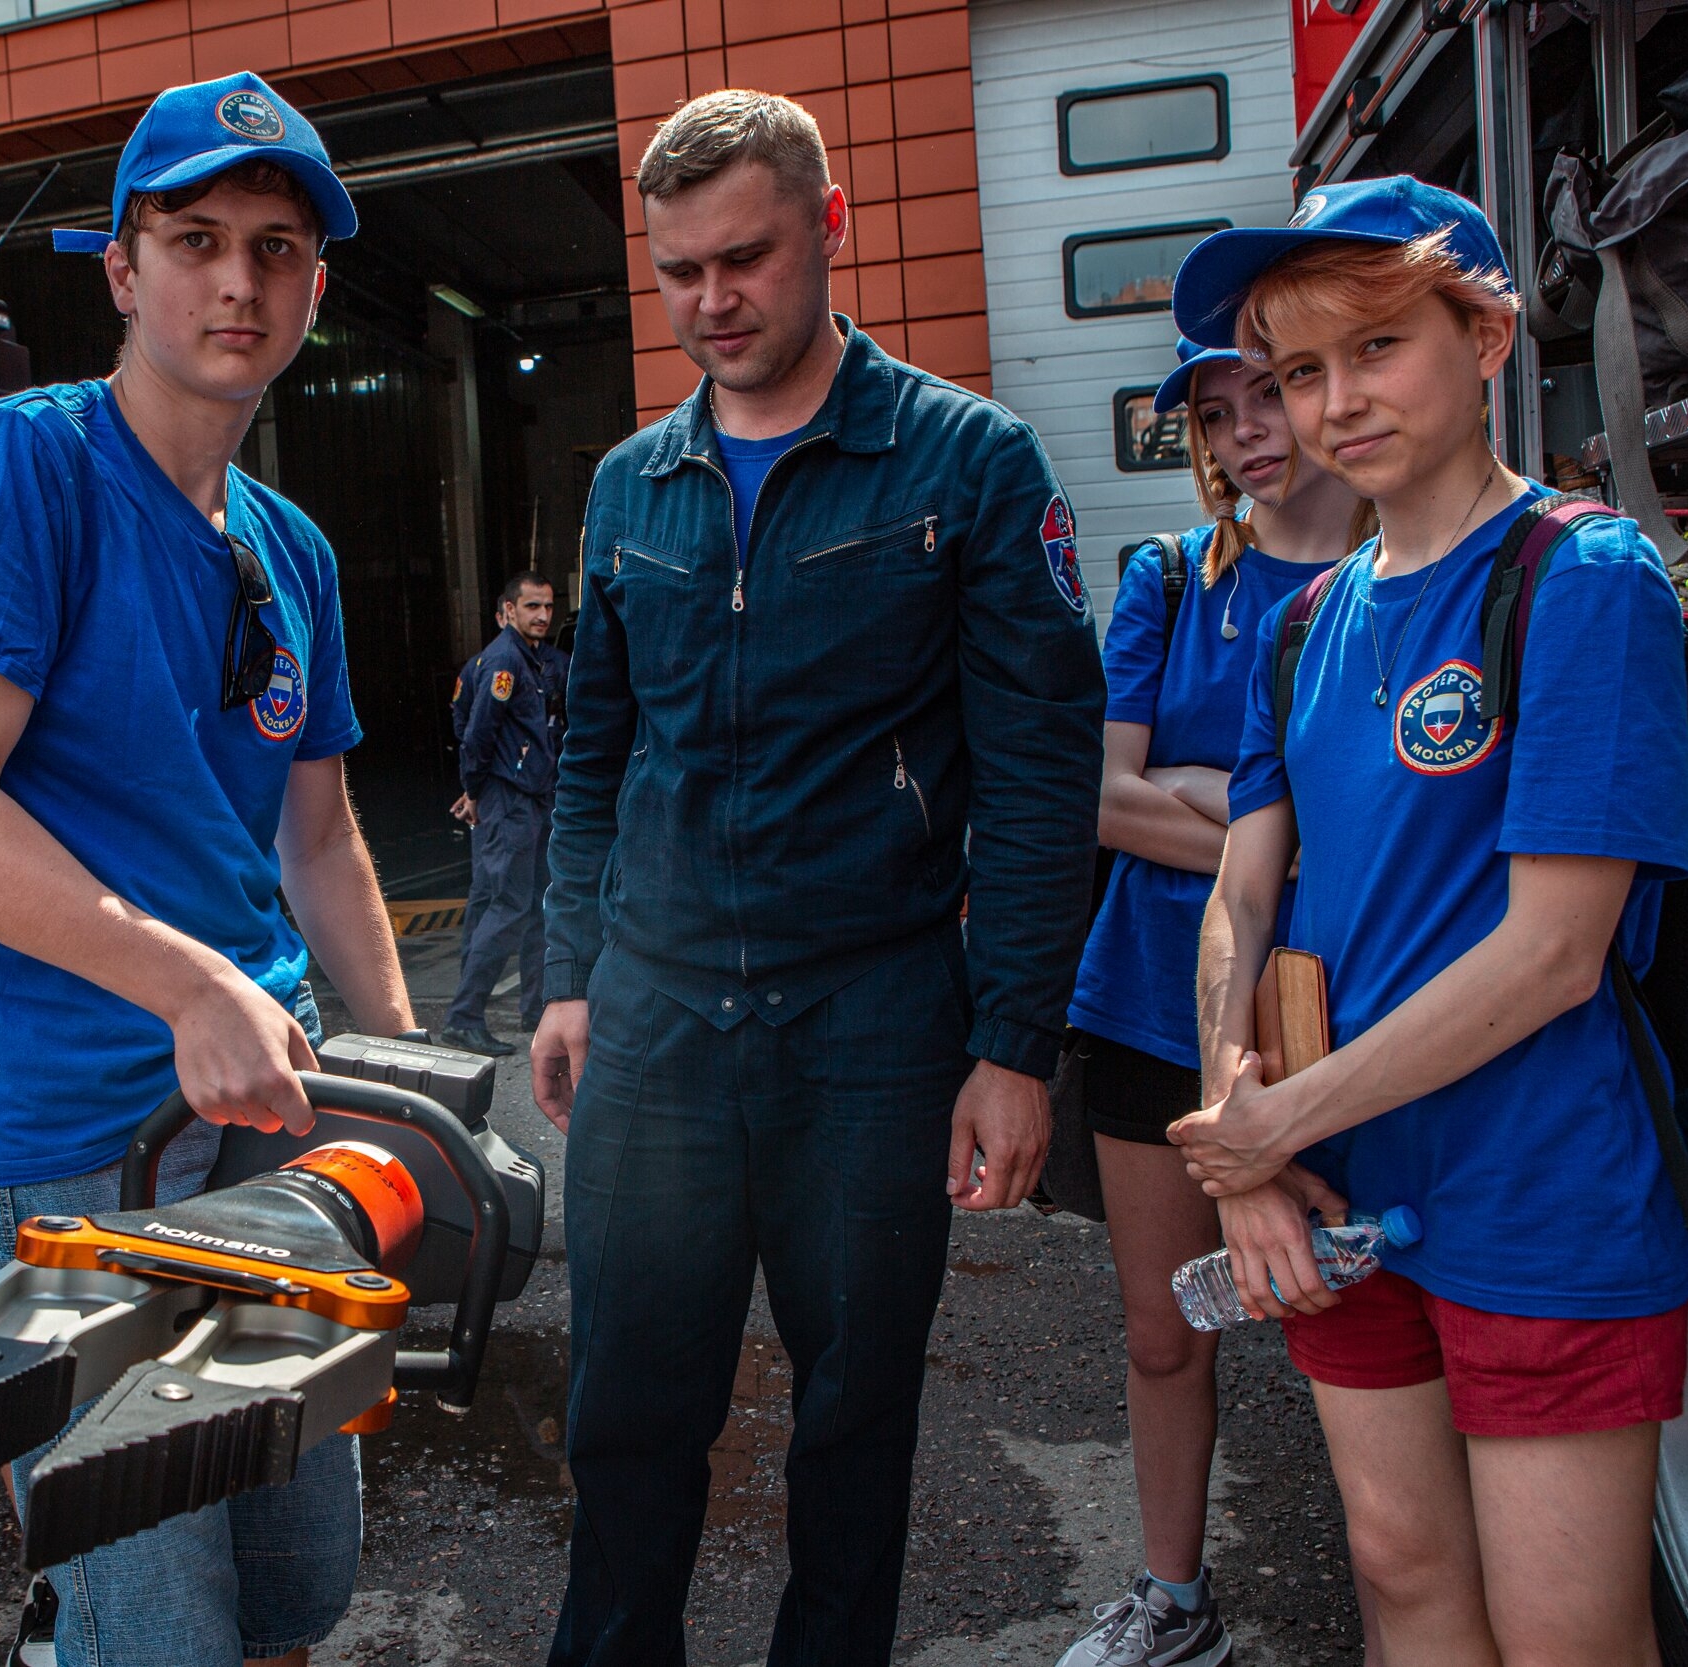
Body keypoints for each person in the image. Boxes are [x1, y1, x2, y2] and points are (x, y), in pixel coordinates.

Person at [531, 90, 1106, 1665]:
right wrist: (569, 970)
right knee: (626, 1409)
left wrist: (1012, 1043)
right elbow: (593, 753)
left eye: (747, 258)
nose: (712, 301)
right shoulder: (626, 487)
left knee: (855, 1418)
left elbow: (1047, 774)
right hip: (653, 1024)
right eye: (678, 272)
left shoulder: (971, 463)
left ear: (830, 226)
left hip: (872, 1019)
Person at [0, 72, 416, 1667]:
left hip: (271, 1128)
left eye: (274, 246)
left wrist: (396, 1080)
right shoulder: (21, 469)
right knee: (146, 1616)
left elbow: (320, 835)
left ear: (315, 285)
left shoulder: (289, 544)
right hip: (71, 1149)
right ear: (122, 270)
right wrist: (191, 980)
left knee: (290, 1580)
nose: (236, 280)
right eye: (193, 238)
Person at [1170, 177, 1688, 1667]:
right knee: (1401, 1575)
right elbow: (1243, 890)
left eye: (1375, 347)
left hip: (1542, 1191)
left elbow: (1552, 951)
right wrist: (1237, 1127)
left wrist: (1273, 1131)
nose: (1333, 402)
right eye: (1293, 372)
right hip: (1344, 1196)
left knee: (1567, 1633)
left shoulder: (1580, 576)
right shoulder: (1302, 622)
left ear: (1483, 337)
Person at [1057, 336, 1370, 1667]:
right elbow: (1097, 791)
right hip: (1146, 1001)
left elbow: (1160, 795)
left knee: (1364, 1323)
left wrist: (1197, 793)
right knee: (1165, 1319)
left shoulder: (1398, 575)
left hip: (1349, 1011)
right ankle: (1174, 1599)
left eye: (1268, 396)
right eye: (1217, 411)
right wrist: (1281, 829)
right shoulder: (1173, 579)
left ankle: (1411, 1591)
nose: (1249, 431)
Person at [441, 569, 568, 1057]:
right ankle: (465, 1016)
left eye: (548, 606)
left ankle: (534, 1010)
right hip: (508, 800)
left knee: (532, 902)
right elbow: (474, 732)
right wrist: (475, 789)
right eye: (532, 606)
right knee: (507, 905)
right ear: (508, 610)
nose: (542, 615)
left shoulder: (533, 661)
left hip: (531, 797)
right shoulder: (503, 662)